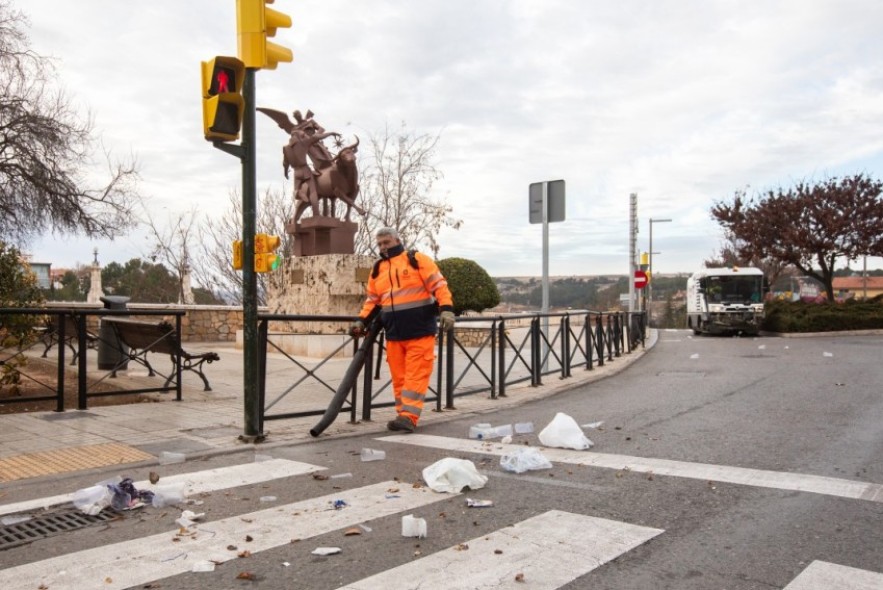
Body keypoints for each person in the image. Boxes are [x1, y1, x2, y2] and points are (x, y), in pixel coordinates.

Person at [351, 228, 455, 433]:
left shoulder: (416, 259)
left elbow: (439, 286)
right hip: (394, 334)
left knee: (415, 376)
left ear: (398, 240)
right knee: (399, 377)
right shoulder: (377, 270)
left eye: (386, 242)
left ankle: (409, 416)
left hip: (420, 330)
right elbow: (373, 301)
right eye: (379, 243)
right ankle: (403, 414)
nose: (383, 247)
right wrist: (361, 321)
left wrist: (447, 310)